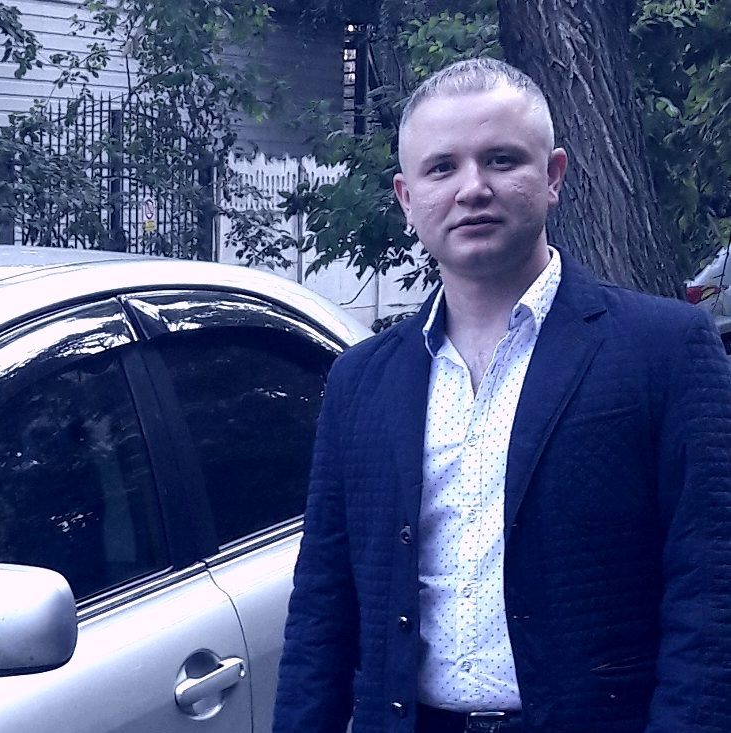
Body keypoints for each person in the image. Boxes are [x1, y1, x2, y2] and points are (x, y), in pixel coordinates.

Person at [272, 57, 731, 733]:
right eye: (441, 168)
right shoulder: (361, 381)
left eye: (500, 159)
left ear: (552, 176)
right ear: (406, 198)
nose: (472, 188)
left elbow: (711, 586)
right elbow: (321, 607)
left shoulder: (663, 350)